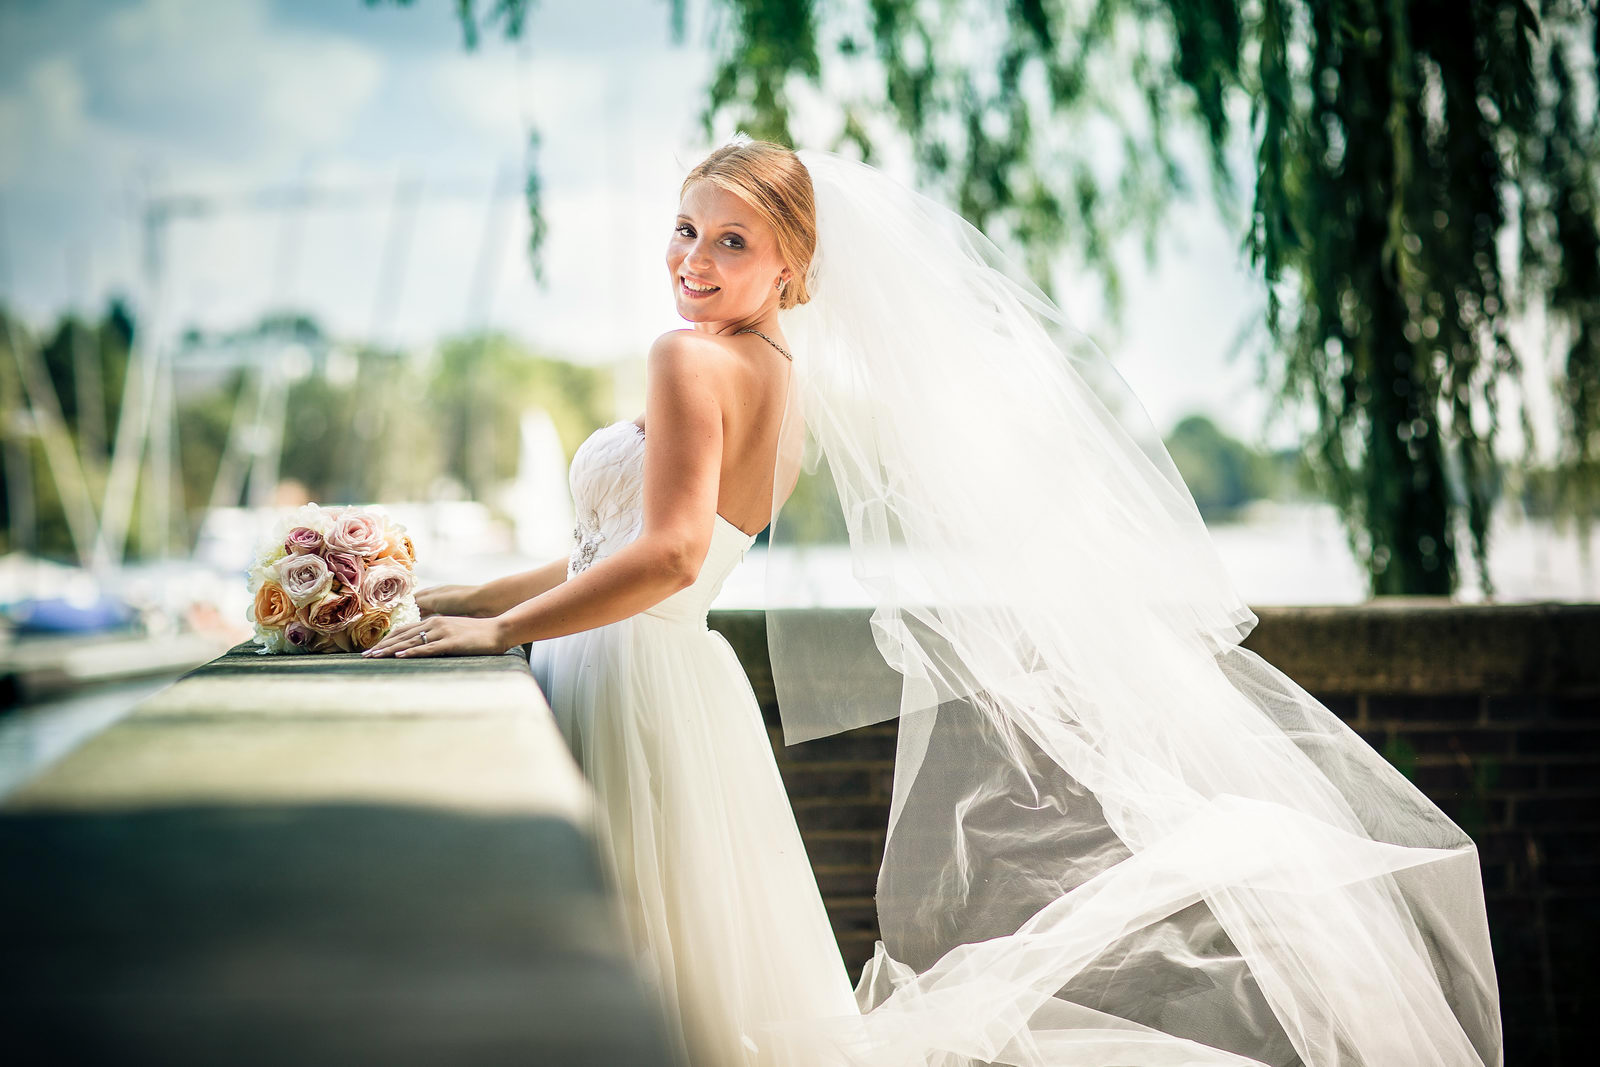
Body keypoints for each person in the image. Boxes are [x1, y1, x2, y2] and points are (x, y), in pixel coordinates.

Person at [365, 138, 1503, 1067]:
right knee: (701, 972)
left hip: (629, 668)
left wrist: (504, 630)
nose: (694, 260)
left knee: (634, 950)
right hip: (681, 680)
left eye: (732, 240)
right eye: (684, 227)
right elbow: (617, 548)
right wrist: (457, 592)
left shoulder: (687, 360)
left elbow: (662, 558)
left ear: (792, 271)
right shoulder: (779, 382)